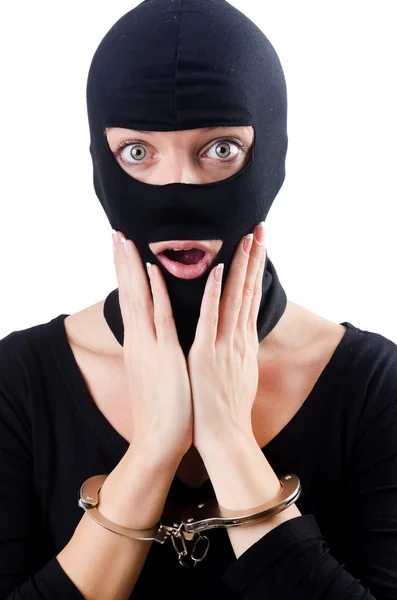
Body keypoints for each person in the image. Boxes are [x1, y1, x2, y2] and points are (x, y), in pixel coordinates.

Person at [1, 0, 396, 598]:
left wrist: (227, 439)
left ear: (274, 153)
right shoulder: (16, 384)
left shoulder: (374, 388)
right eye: (137, 151)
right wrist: (156, 444)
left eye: (219, 150)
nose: (177, 192)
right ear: (97, 159)